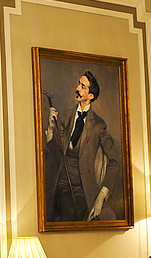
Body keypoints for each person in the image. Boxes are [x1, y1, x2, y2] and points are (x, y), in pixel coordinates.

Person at [44, 71, 120, 222]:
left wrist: (101, 195)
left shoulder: (98, 125)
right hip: (61, 185)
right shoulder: (65, 117)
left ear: (90, 96)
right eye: (79, 84)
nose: (77, 88)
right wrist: (51, 129)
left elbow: (115, 161)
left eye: (82, 86)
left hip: (83, 189)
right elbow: (54, 154)